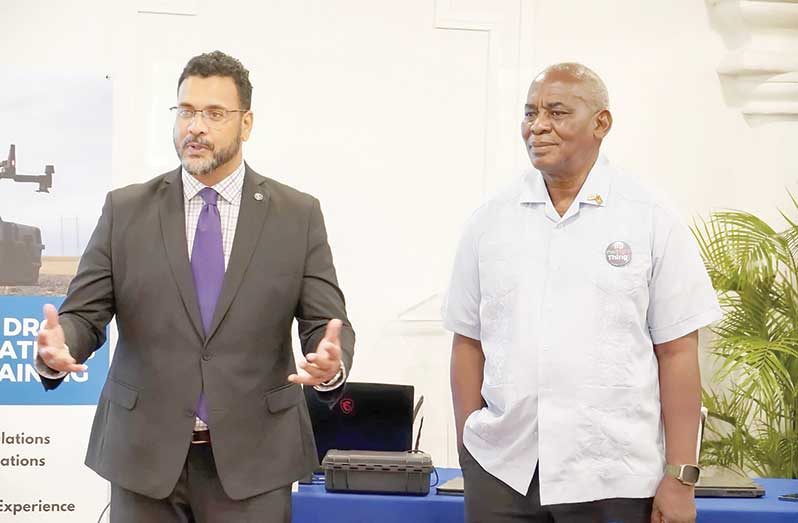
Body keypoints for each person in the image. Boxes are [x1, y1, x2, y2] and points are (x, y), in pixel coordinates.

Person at [34, 50, 354, 522]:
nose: (195, 126)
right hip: (144, 459)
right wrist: (60, 349)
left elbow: (325, 323)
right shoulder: (127, 210)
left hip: (254, 463)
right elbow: (84, 315)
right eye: (185, 111)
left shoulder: (297, 215)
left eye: (214, 114)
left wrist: (330, 365)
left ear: (246, 124)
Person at [443, 62, 721, 523]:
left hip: (613, 475)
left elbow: (676, 352)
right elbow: (467, 341)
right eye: (530, 112)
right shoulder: (489, 221)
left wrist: (680, 476)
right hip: (503, 474)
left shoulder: (649, 218)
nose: (538, 126)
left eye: (556, 112)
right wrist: (470, 451)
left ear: (601, 123)